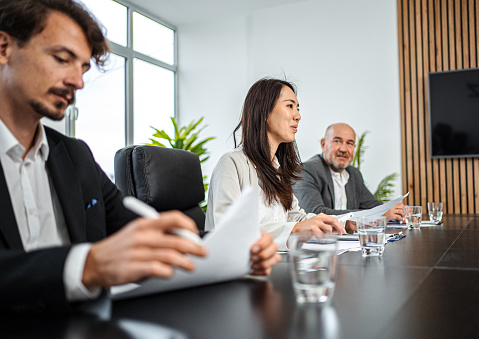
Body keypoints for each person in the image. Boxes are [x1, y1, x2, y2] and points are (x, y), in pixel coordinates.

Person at [0, 0, 279, 314]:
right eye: (63, 59)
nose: (78, 82)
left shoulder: (75, 157)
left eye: (83, 68)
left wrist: (236, 247)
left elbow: (137, 229)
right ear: (4, 47)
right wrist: (85, 265)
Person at [204, 78, 345, 249]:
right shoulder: (232, 163)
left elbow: (296, 218)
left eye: (298, 108)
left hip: (276, 263)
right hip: (240, 269)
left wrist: (344, 222)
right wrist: (292, 230)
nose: (298, 116)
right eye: (290, 106)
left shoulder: (278, 170)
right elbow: (228, 230)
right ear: (265, 112)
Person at [293, 123, 405, 227]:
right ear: (323, 144)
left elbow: (372, 206)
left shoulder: (354, 174)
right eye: (337, 141)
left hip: (350, 242)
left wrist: (394, 210)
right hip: (321, 243)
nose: (343, 149)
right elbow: (314, 212)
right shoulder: (306, 170)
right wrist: (376, 215)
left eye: (349, 143)